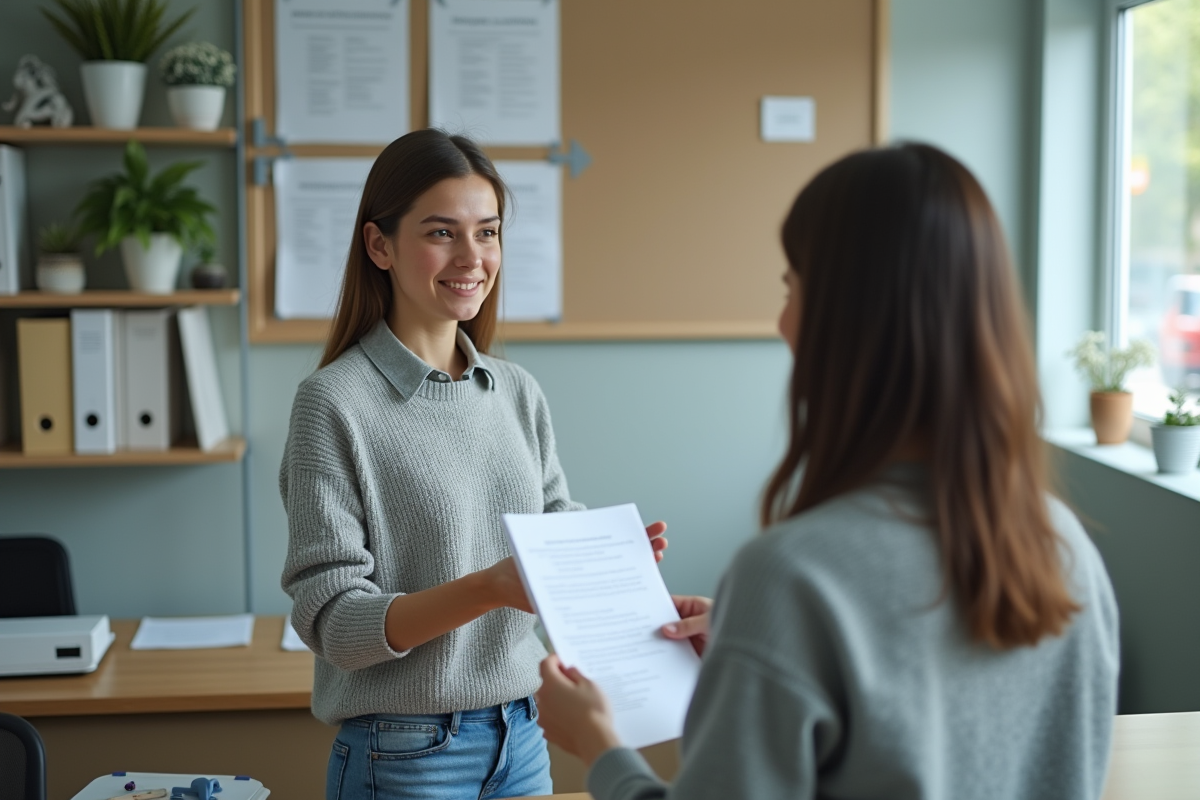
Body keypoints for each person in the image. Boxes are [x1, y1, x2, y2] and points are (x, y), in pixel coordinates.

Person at [534, 143, 1120, 800]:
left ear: (848, 317)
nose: (783, 322)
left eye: (792, 287)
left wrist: (599, 744)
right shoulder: (1064, 550)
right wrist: (757, 642)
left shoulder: (793, 575)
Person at [279, 128, 667, 800]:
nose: (472, 257)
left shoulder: (516, 391)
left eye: (487, 232)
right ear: (380, 245)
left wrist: (608, 561)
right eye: (441, 233)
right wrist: (489, 588)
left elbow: (551, 533)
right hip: (402, 754)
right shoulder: (332, 404)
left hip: (523, 735)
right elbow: (335, 623)